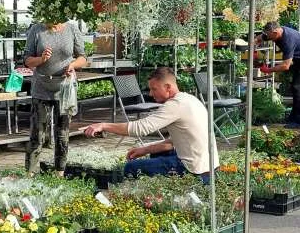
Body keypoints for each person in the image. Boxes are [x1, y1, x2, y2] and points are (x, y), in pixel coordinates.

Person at [83, 67, 218, 182]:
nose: (151, 93)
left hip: (194, 170)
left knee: (131, 168)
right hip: (210, 166)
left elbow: (140, 128)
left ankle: (133, 199)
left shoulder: (175, 105)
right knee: (156, 154)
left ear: (168, 87)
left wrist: (103, 126)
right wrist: (145, 150)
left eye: (154, 89)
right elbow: (174, 142)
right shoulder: (190, 99)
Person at [24, 21, 87, 175]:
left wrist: (72, 65)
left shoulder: (72, 28)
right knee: (37, 134)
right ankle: (30, 173)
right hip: (41, 87)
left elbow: (83, 58)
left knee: (62, 133)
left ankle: (60, 173)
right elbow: (27, 60)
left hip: (64, 88)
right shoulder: (37, 29)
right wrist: (41, 59)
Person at [256, 22, 300, 128]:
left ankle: (299, 121)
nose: (267, 37)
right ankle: (293, 118)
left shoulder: (288, 40)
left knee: (299, 88)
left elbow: (286, 66)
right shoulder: (277, 32)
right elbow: (261, 37)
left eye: (268, 35)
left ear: (275, 32)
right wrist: (254, 43)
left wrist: (268, 70)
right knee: (295, 87)